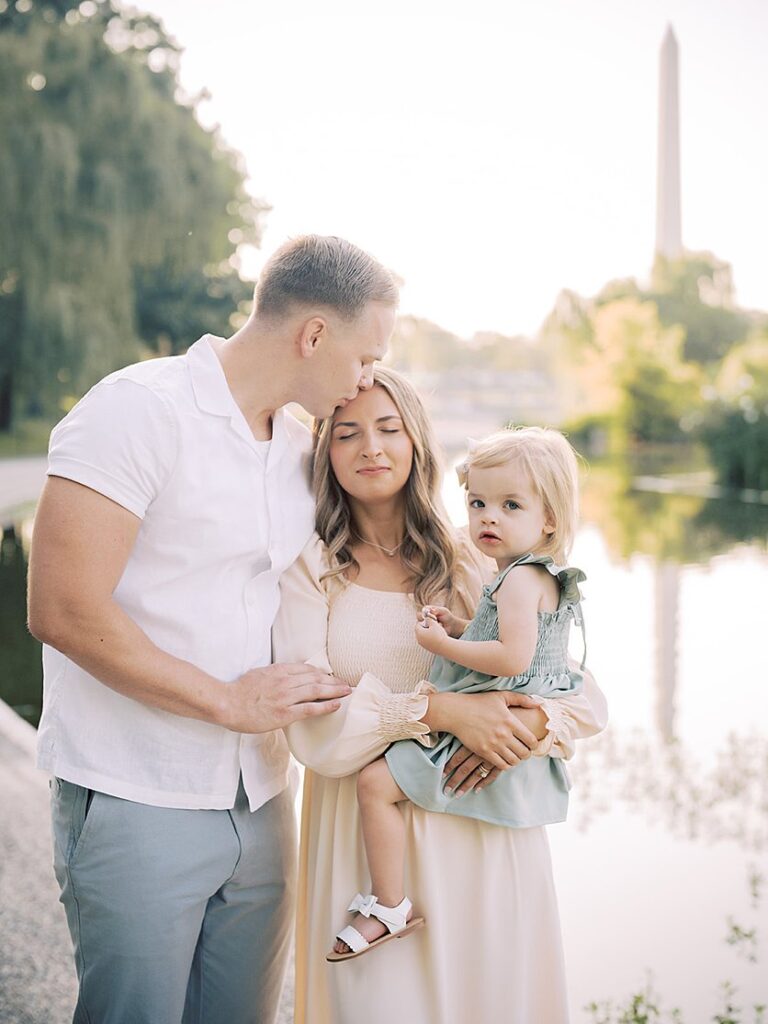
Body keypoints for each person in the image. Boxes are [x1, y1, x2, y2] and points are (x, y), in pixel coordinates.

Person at [27, 235, 398, 1024]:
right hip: (136, 791)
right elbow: (61, 608)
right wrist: (227, 702)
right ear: (314, 336)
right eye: (367, 356)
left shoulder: (303, 447)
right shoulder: (137, 410)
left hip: (262, 798)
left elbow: (384, 555)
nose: (368, 378)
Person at [272, 368, 608, 1024]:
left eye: (389, 428)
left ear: (418, 441)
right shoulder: (311, 567)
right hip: (364, 844)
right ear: (325, 452)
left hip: (480, 832)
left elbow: (585, 699)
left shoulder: (477, 560)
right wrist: (444, 710)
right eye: (347, 434)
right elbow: (311, 726)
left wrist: (518, 729)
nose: (371, 447)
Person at [331, 427, 587, 961]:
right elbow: (509, 640)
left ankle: (388, 903)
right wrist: (464, 625)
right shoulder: (530, 576)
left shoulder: (516, 579)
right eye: (478, 503)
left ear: (549, 519)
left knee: (375, 784)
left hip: (495, 716)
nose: (488, 517)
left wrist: (442, 641)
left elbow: (512, 659)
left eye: (510, 505)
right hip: (497, 712)